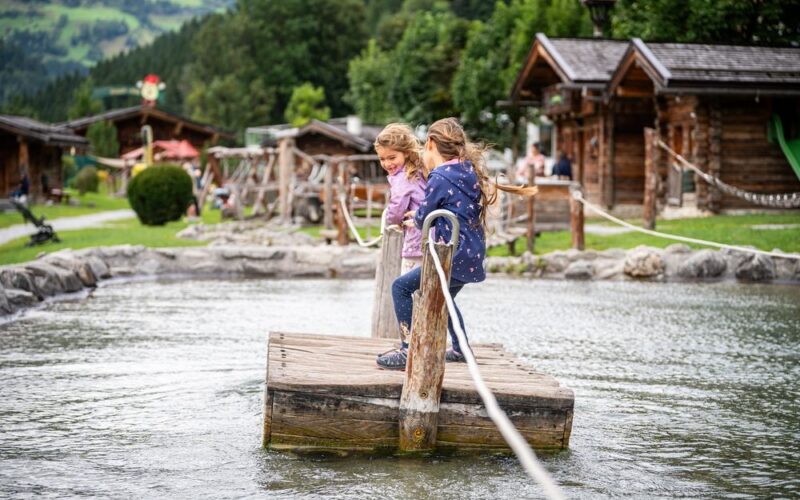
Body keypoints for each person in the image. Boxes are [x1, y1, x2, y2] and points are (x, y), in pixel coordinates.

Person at [376, 118, 536, 370]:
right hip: (472, 254)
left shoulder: (439, 176)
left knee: (400, 288)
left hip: (451, 255)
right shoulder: (467, 169)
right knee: (444, 300)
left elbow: (425, 213)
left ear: (430, 143)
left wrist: (414, 219)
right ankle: (461, 350)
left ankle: (408, 350)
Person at [374, 123, 427, 273]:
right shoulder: (418, 172)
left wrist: (393, 221)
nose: (387, 163)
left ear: (407, 153)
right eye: (382, 159)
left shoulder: (403, 177)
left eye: (392, 157)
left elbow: (398, 204)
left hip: (416, 239)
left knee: (405, 286)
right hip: (430, 236)